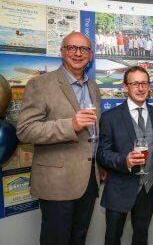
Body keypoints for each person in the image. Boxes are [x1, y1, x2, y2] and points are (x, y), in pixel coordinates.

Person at [16, 32, 101, 245]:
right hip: (57, 183)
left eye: (84, 49)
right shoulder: (40, 84)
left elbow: (94, 133)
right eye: (72, 48)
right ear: (62, 52)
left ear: (90, 56)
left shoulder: (93, 87)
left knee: (79, 238)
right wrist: (70, 125)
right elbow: (25, 130)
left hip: (89, 180)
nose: (78, 53)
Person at [97, 66, 153, 245]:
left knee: (141, 236)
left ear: (149, 86)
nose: (140, 88)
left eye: (144, 83)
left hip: (148, 188)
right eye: (135, 84)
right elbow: (102, 154)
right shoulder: (110, 117)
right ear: (125, 86)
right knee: (112, 238)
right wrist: (123, 160)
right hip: (120, 188)